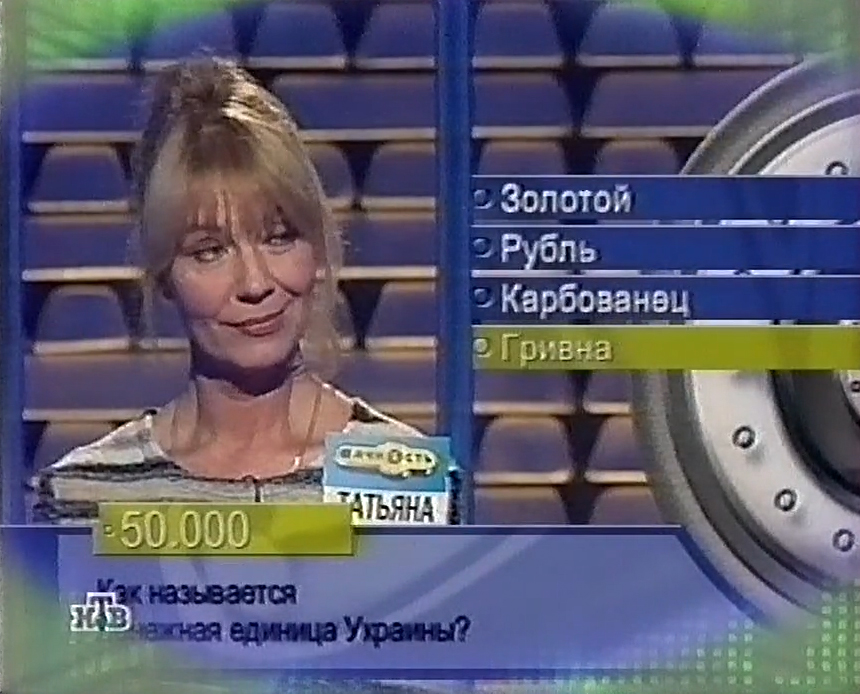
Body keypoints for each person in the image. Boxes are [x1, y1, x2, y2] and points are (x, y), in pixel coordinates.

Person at [32, 57, 422, 523]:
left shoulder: (402, 479)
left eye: (279, 238)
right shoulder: (85, 495)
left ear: (316, 248)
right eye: (210, 251)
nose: (255, 284)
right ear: (164, 274)